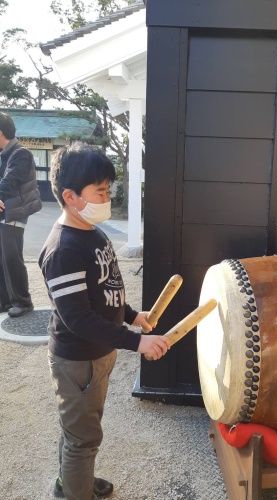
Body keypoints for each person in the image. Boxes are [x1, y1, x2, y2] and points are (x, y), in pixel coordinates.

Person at [38, 142, 170, 500]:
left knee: (79, 428)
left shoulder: (93, 232)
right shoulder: (63, 249)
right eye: (100, 191)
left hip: (98, 354)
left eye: (108, 190)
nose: (106, 197)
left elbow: (106, 289)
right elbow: (78, 317)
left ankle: (72, 479)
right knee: (84, 437)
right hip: (78, 360)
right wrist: (136, 340)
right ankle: (75, 490)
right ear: (71, 196)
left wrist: (132, 316)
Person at [0, 111, 42, 317]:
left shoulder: (20, 153)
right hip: (3, 214)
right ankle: (5, 301)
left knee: (11, 256)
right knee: (2, 257)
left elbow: (10, 181)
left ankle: (23, 302)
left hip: (14, 213)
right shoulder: (3, 154)